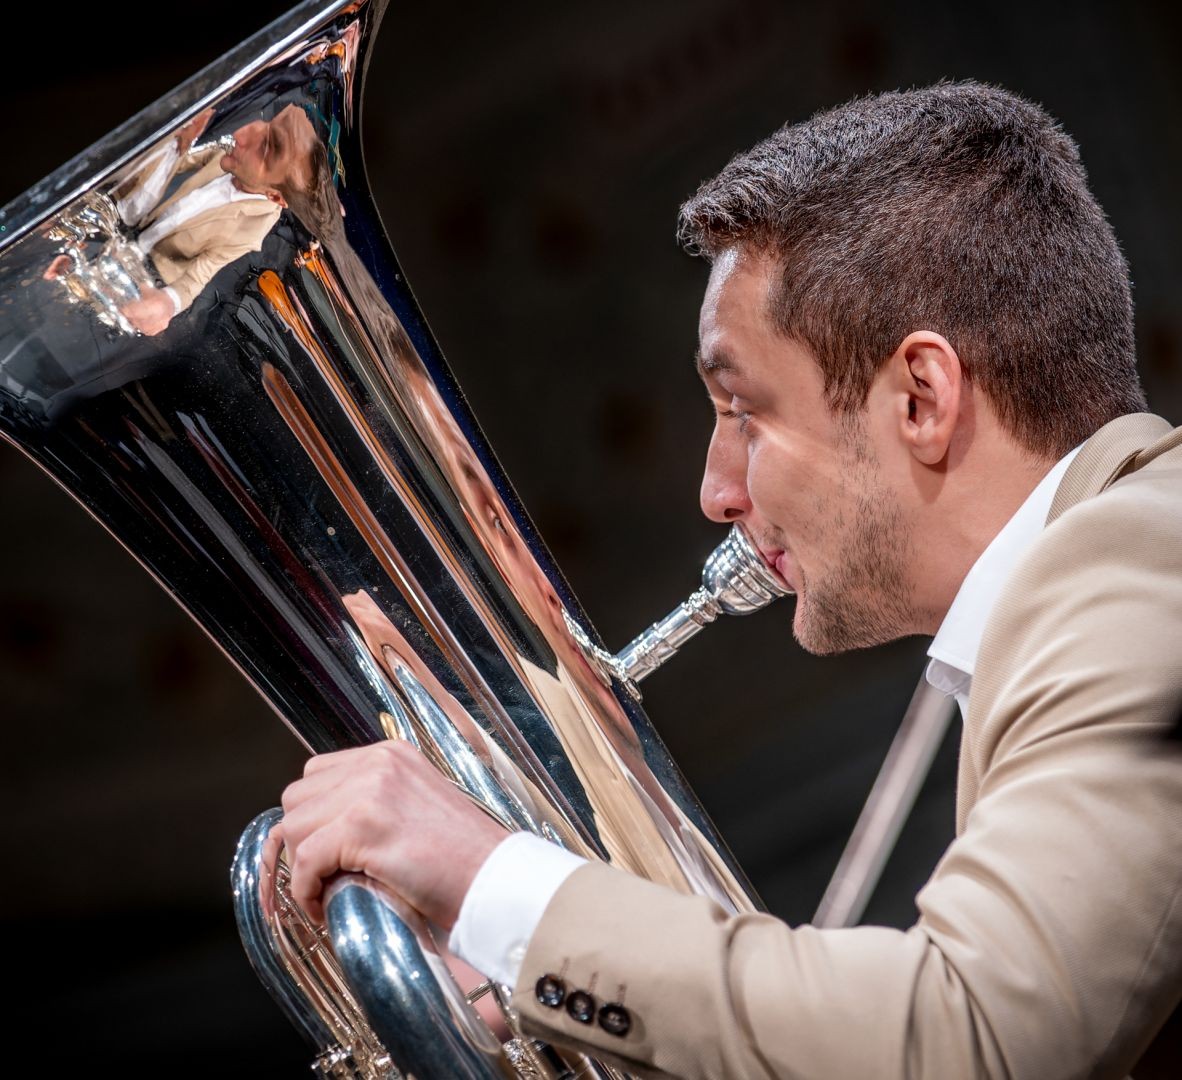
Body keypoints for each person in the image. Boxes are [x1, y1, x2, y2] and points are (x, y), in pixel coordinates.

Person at [266, 81, 1182, 1078]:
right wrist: (550, 980)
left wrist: (486, 878)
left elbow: (976, 1040)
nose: (715, 491)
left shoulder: (1136, 556)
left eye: (743, 411)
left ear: (921, 398)